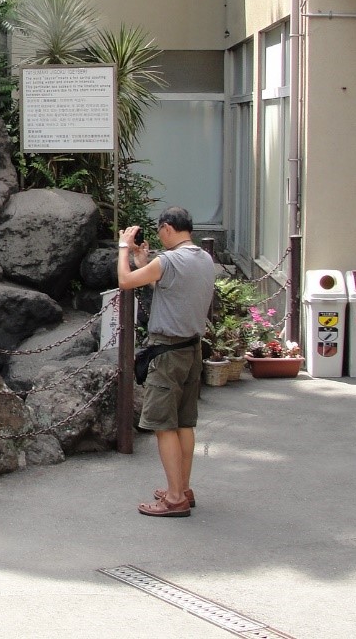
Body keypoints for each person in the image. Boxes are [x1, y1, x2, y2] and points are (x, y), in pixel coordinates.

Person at [117, 206, 217, 518]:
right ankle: (183, 488)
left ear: (167, 228)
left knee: (164, 425)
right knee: (185, 422)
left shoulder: (170, 260)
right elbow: (169, 288)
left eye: (160, 230)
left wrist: (124, 248)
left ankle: (174, 499)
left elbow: (125, 281)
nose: (158, 235)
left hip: (167, 352)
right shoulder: (203, 258)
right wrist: (144, 261)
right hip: (192, 349)